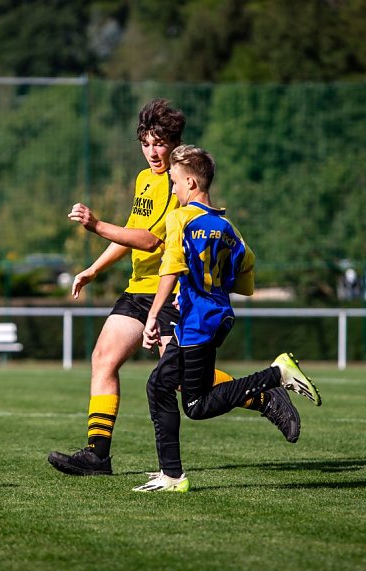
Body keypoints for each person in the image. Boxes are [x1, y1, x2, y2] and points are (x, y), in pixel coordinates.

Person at [47, 99, 301, 477]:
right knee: (103, 358)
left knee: (183, 381)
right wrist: (94, 268)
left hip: (170, 293)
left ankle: (262, 394)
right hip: (138, 289)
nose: (152, 151)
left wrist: (98, 225)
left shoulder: (178, 185)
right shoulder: (143, 180)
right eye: (146, 143)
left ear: (174, 144)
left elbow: (149, 241)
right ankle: (97, 455)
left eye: (160, 143)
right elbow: (132, 234)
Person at [134, 144, 322, 493]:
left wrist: (154, 314)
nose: (173, 189)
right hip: (216, 315)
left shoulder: (180, 218)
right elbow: (246, 274)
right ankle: (170, 474)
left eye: (175, 182)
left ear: (190, 182)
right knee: (159, 385)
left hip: (196, 322)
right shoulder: (227, 226)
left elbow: (172, 264)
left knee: (196, 405)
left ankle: (276, 374)